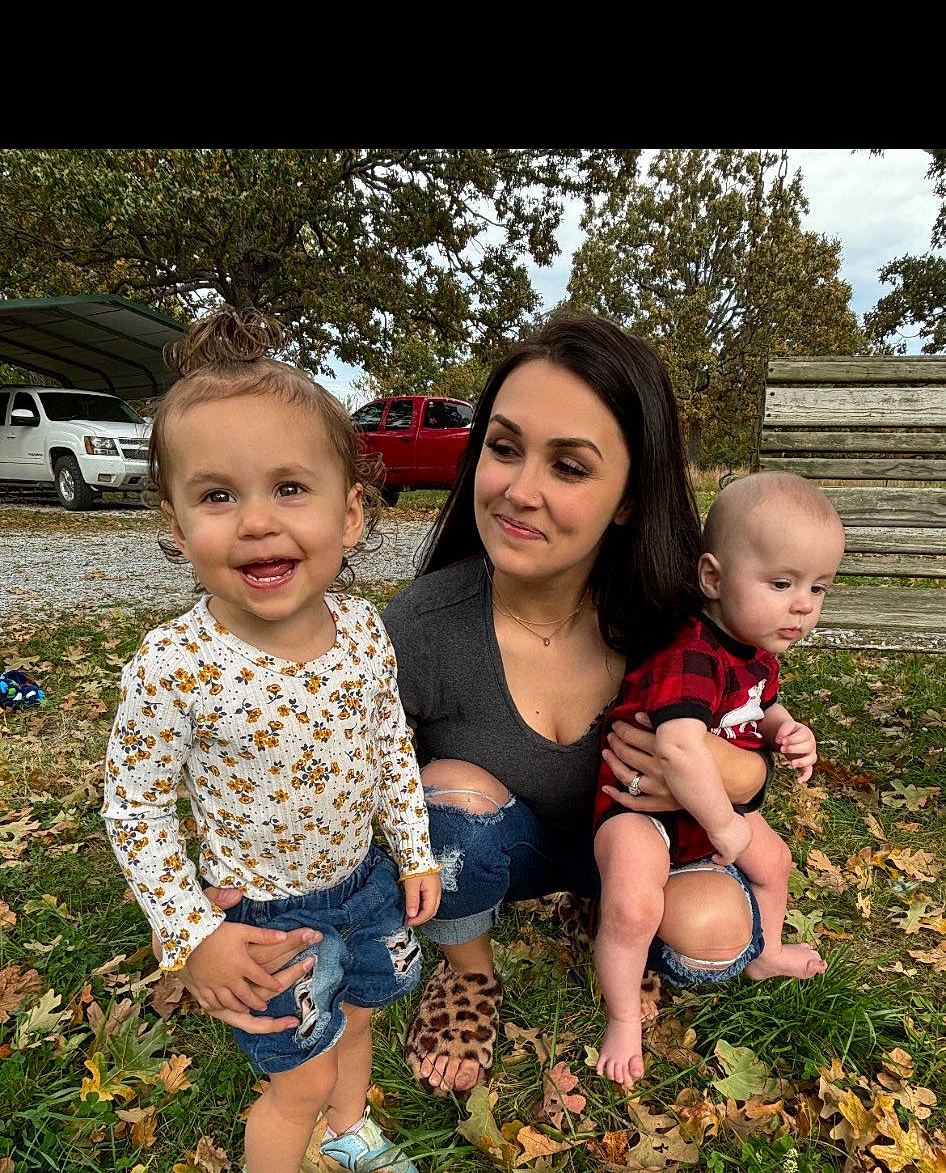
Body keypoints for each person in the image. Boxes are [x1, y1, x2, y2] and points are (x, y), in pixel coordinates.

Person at [195, 311, 776, 1103]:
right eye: (504, 448)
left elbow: (756, 742)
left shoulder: (678, 618)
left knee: (715, 942)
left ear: (630, 498)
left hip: (649, 850)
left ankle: (616, 927)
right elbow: (326, 761)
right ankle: (469, 974)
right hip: (507, 850)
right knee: (449, 794)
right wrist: (238, 878)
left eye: (569, 467)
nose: (518, 490)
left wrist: (725, 773)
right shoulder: (422, 628)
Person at [101, 308, 441, 1173]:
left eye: (289, 487)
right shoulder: (177, 664)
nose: (256, 518)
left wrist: (414, 848)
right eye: (217, 494)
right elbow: (134, 807)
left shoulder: (366, 631)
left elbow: (387, 746)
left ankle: (348, 1130)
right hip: (266, 919)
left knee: (363, 1018)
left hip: (365, 884)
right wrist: (191, 931)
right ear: (176, 524)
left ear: (349, 513)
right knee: (292, 1076)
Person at [591, 471, 845, 1085]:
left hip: (702, 811)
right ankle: (624, 1016)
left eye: (818, 587)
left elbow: (755, 710)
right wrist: (727, 822)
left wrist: (786, 729)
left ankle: (766, 953)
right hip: (639, 811)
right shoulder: (692, 655)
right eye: (782, 583)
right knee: (630, 904)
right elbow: (678, 747)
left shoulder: (755, 649)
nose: (803, 604)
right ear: (713, 578)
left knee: (775, 861)